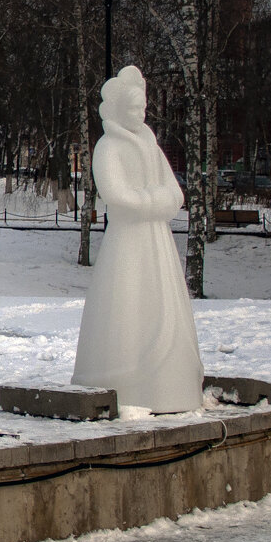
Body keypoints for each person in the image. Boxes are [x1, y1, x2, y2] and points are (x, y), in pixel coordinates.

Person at [72, 66, 203, 413]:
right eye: (132, 108)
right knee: (126, 303)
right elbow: (116, 195)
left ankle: (169, 384)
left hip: (157, 243)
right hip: (127, 243)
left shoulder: (150, 145)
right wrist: (152, 201)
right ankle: (123, 380)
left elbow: (175, 193)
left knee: (162, 305)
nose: (139, 114)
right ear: (116, 110)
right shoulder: (108, 147)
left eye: (143, 108)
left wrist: (153, 200)